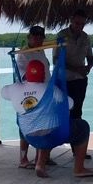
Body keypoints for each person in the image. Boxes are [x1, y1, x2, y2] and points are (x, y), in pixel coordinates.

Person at [16, 25, 53, 169]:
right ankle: (23, 158)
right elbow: (24, 75)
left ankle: (40, 158)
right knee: (26, 127)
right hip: (28, 95)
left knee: (42, 126)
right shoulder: (24, 54)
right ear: (29, 37)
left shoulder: (41, 51)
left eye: (40, 37)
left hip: (44, 93)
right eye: (35, 36)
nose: (37, 39)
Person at [55, 9, 93, 120]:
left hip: (80, 80)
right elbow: (56, 60)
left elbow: (90, 58)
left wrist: (89, 67)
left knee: (77, 112)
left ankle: (75, 135)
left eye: (83, 24)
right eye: (77, 23)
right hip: (64, 80)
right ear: (71, 21)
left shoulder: (86, 37)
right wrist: (76, 69)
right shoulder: (61, 35)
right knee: (63, 111)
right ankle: (64, 136)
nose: (80, 26)